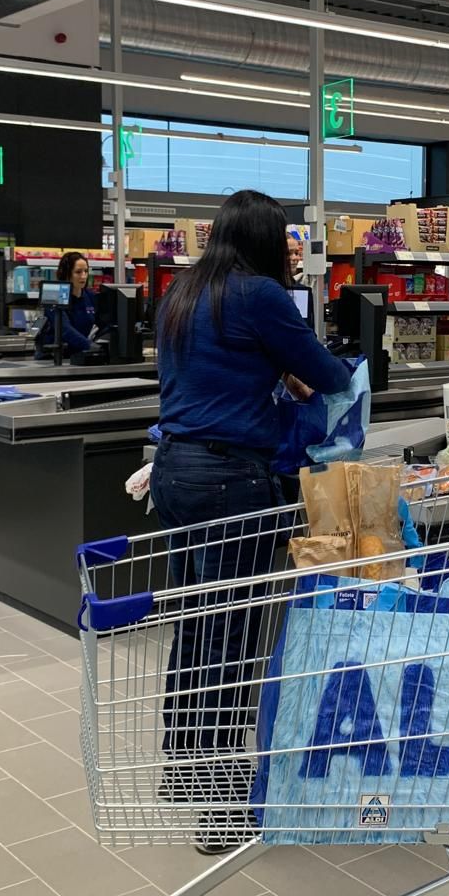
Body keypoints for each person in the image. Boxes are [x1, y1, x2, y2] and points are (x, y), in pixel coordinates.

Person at [152, 190, 351, 854]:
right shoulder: (260, 294)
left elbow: (215, 374)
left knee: (197, 621)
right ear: (265, 239)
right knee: (233, 634)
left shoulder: (184, 292)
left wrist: (269, 373)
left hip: (175, 470)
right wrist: (293, 376)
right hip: (233, 478)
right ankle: (219, 801)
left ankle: (184, 766)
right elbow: (325, 371)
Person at [34, 251, 97, 360]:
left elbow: (104, 323)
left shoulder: (90, 296)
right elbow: (65, 329)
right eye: (78, 272)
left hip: (78, 356)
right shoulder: (54, 294)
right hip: (51, 359)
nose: (84, 276)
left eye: (86, 271)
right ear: (67, 273)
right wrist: (91, 346)